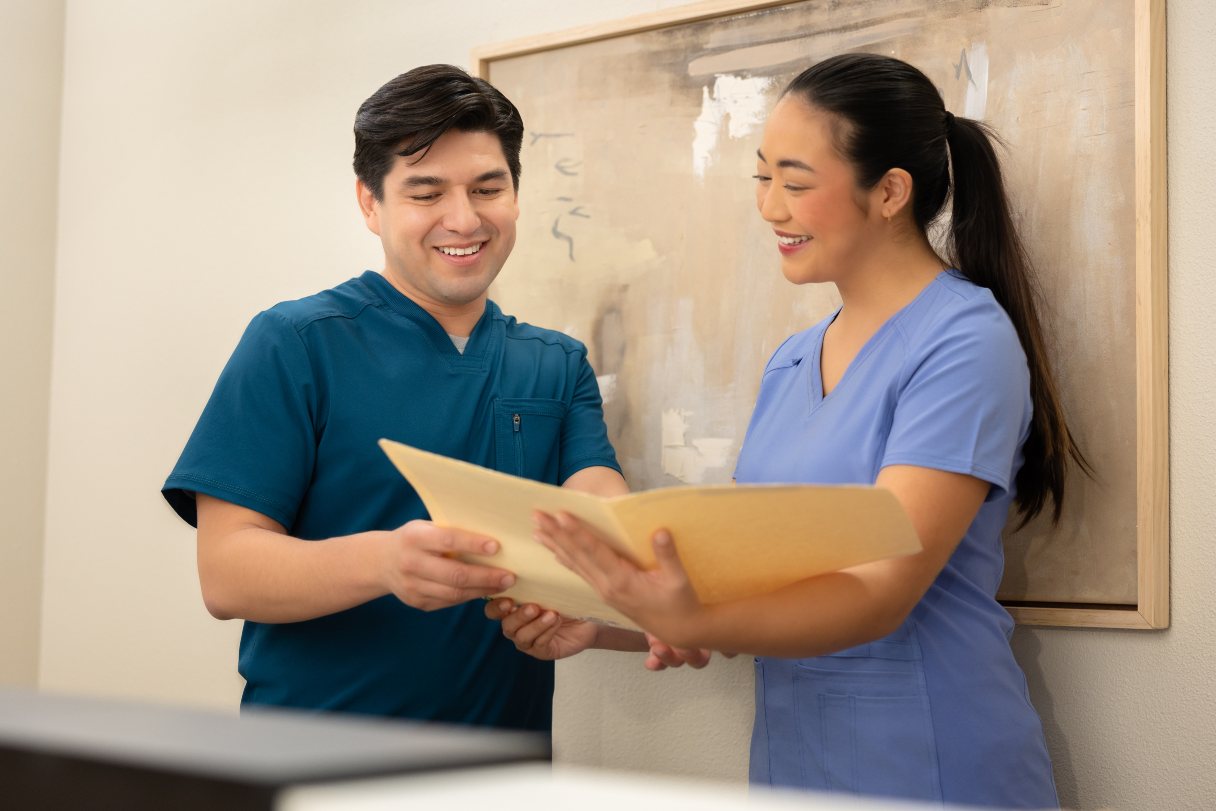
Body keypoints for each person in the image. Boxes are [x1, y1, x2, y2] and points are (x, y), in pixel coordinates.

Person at [490, 53, 1088, 806]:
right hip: (794, 763)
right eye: (762, 177)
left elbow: (880, 592)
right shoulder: (792, 361)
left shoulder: (964, 340)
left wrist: (687, 613)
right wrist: (606, 621)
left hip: (933, 758)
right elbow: (743, 588)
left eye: (796, 183)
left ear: (891, 193)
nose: (770, 207)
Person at [160, 64, 636, 733]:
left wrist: (604, 597)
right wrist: (385, 561)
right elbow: (227, 572)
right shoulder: (296, 343)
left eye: (487, 187)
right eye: (426, 192)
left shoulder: (557, 364)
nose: (463, 218)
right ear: (369, 202)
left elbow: (606, 518)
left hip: (503, 773)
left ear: (517, 196)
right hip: (313, 765)